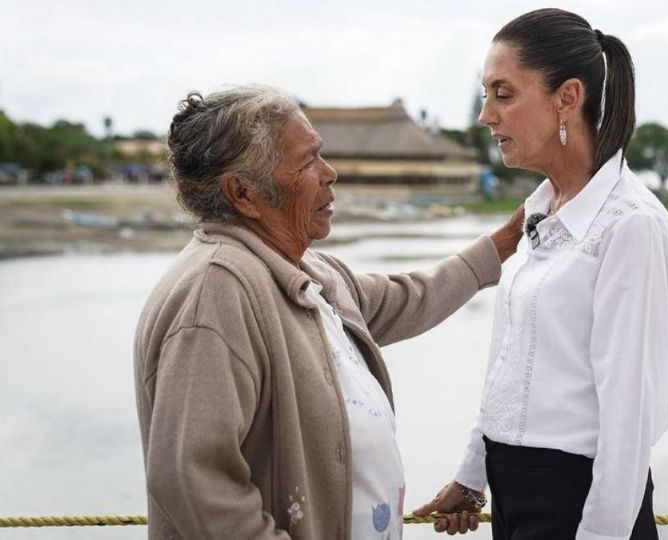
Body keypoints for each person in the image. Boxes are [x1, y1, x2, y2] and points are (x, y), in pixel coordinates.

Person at [133, 85, 523, 539]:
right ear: (242, 193)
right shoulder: (216, 292)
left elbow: (409, 297)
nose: (330, 173)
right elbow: (192, 481)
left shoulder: (311, 274)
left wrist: (504, 244)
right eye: (307, 163)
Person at [413, 9, 668, 540]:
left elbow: (627, 421)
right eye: (486, 94)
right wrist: (472, 476)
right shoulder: (539, 213)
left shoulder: (630, 227)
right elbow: (509, 365)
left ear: (567, 97)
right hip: (514, 492)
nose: (486, 116)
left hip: (579, 501)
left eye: (504, 94)